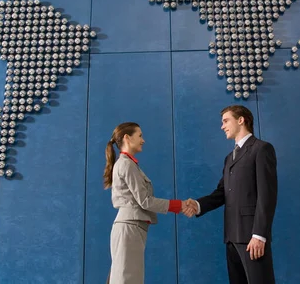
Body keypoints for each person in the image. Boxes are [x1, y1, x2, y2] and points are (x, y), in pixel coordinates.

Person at [184, 105, 278, 284]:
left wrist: (259, 235)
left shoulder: (262, 149)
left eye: (226, 121)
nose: (222, 126)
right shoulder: (229, 158)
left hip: (252, 237)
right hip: (231, 237)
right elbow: (221, 193)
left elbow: (267, 196)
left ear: (241, 120)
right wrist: (197, 205)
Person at [104, 122, 195, 284]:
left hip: (131, 227)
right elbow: (145, 201)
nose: (143, 140)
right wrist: (180, 205)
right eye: (140, 135)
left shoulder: (127, 164)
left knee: (125, 278)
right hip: (129, 228)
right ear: (127, 138)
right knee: (127, 280)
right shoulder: (126, 164)